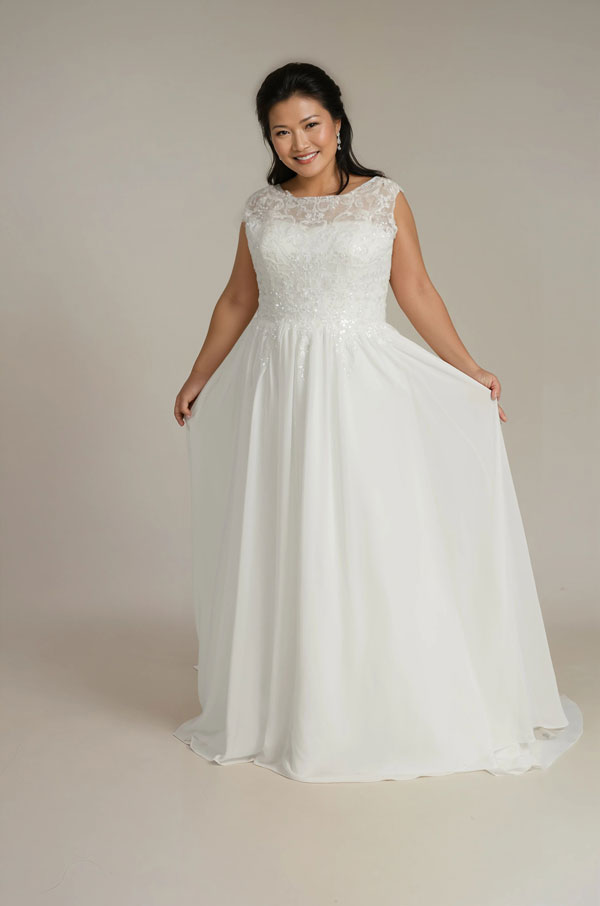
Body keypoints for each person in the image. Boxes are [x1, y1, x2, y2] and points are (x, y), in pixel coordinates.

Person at [172, 61, 582, 783]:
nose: (298, 143)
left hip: (359, 383)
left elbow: (415, 288)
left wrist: (470, 367)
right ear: (268, 140)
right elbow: (238, 300)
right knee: (287, 531)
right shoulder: (261, 210)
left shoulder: (382, 199)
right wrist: (200, 372)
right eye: (281, 132)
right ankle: (291, 705)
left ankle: (379, 703)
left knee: (369, 531)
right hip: (282, 386)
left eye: (310, 125)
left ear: (336, 121)